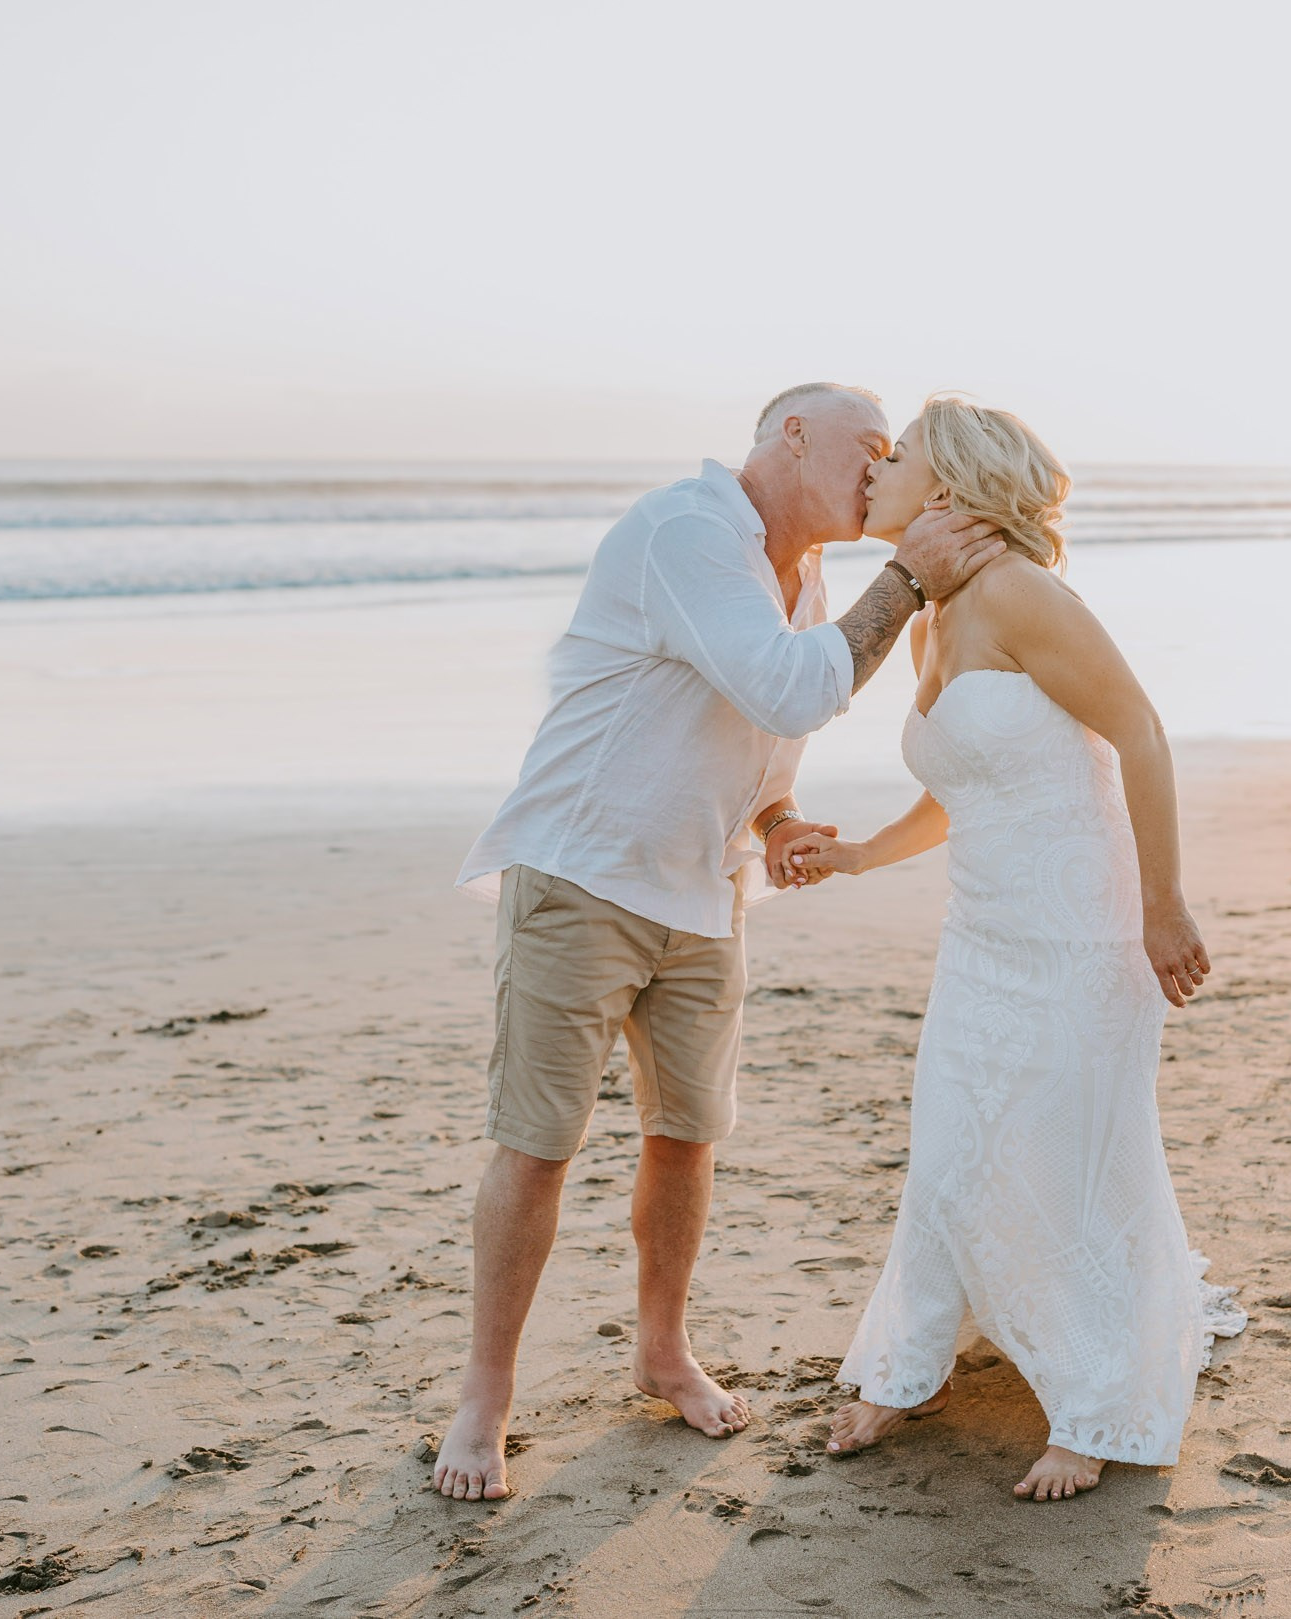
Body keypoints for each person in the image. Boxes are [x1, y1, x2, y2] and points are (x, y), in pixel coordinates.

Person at [429, 383, 1004, 1501]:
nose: (880, 469)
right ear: (791, 435)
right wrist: (913, 575)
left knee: (685, 1137)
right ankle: (483, 1395)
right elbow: (790, 690)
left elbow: (761, 736)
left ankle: (661, 1351)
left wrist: (780, 819)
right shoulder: (688, 531)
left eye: (893, 456)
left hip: (704, 892)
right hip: (582, 874)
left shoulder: (808, 574)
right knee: (538, 1142)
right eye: (868, 447)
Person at [785, 395, 1246, 1501]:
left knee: (1074, 1154)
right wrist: (855, 858)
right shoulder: (936, 613)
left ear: (945, 487)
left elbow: (1137, 728)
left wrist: (1164, 904)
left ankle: (1094, 1401)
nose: (876, 472)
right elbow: (963, 789)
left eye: (895, 459)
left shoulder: (1022, 594)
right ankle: (912, 1366)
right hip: (983, 935)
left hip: (1083, 929)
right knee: (950, 1143)